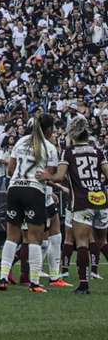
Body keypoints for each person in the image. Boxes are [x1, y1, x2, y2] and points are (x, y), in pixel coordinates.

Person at [0, 112, 60, 293]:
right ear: (49, 129)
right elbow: (51, 175)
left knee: (11, 237)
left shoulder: (21, 141)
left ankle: (3, 278)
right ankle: (34, 283)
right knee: (35, 238)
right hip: (34, 191)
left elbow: (10, 170)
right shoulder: (49, 147)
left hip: (14, 188)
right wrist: (48, 177)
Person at [57, 115, 107, 296]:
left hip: (81, 201)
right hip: (101, 199)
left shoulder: (68, 152)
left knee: (82, 242)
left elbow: (59, 176)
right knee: (101, 241)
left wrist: (47, 177)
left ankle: (84, 284)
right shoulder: (97, 151)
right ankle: (93, 271)